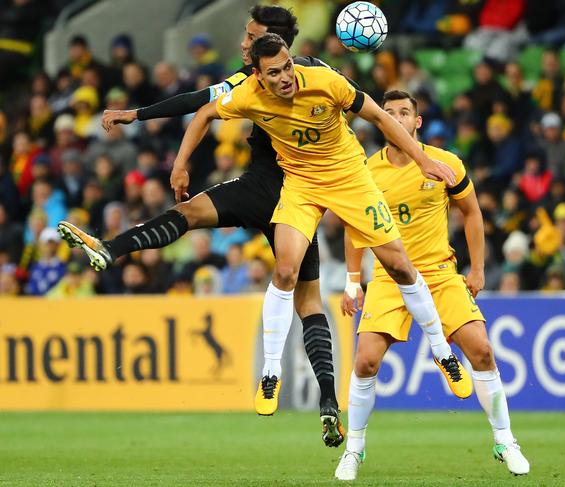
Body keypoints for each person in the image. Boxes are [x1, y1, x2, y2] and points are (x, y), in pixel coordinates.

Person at [58, 5, 345, 447]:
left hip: (287, 192)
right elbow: (203, 105)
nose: (244, 43)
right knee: (304, 297)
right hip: (279, 189)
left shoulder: (279, 75)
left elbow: (201, 101)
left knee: (294, 285)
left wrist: (136, 115)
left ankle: (325, 399)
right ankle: (329, 402)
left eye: (251, 37)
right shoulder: (287, 74)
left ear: (275, 39)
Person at [171, 33, 472, 437]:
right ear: (258, 77)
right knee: (285, 271)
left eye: (287, 66)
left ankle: (440, 351)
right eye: (273, 73)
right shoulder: (247, 96)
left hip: (350, 180)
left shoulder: (327, 82)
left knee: (400, 265)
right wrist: (180, 165)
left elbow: (381, 119)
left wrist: (422, 160)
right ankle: (271, 372)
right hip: (301, 187)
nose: (285, 78)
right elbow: (206, 113)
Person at [334, 90, 531, 481]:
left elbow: (471, 211)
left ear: (417, 121)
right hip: (390, 279)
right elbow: (354, 227)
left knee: (483, 351)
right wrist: (353, 281)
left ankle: (505, 440)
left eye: (404, 113)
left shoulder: (444, 162)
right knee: (365, 361)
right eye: (388, 113)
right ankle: (353, 450)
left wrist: (477, 270)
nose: (396, 118)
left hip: (440, 273)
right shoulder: (366, 171)